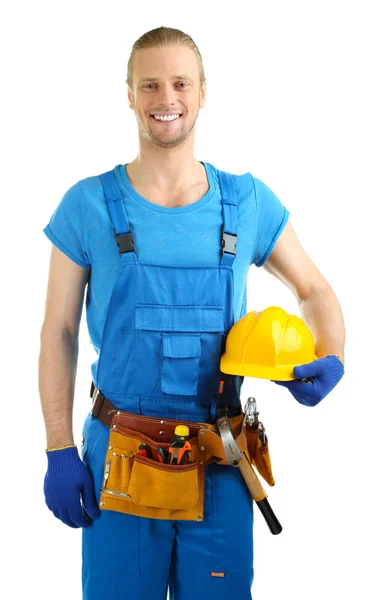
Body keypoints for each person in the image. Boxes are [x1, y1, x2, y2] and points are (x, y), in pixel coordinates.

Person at [39, 26, 346, 600]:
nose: (166, 98)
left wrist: (330, 357)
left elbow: (315, 290)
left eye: (180, 82)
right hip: (121, 459)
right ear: (129, 95)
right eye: (149, 84)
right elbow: (57, 333)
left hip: (222, 457)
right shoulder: (86, 204)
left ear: (204, 92)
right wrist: (58, 448)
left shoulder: (247, 202)